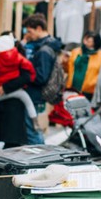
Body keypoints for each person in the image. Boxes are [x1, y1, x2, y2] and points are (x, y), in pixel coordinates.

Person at [23, 13, 63, 144]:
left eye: (30, 31)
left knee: (32, 131)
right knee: (34, 128)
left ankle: (40, 153)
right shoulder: (49, 45)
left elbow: (41, 77)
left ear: (39, 28)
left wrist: (24, 75)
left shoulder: (43, 50)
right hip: (37, 95)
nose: (28, 35)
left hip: (34, 95)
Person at [0, 34, 38, 126]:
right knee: (28, 101)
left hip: (1, 92)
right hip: (19, 91)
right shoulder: (18, 58)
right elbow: (29, 69)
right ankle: (35, 120)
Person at [67, 31, 101, 100]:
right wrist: (64, 61)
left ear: (95, 42)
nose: (85, 41)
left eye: (89, 40)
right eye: (85, 39)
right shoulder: (76, 51)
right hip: (72, 89)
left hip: (89, 92)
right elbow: (68, 68)